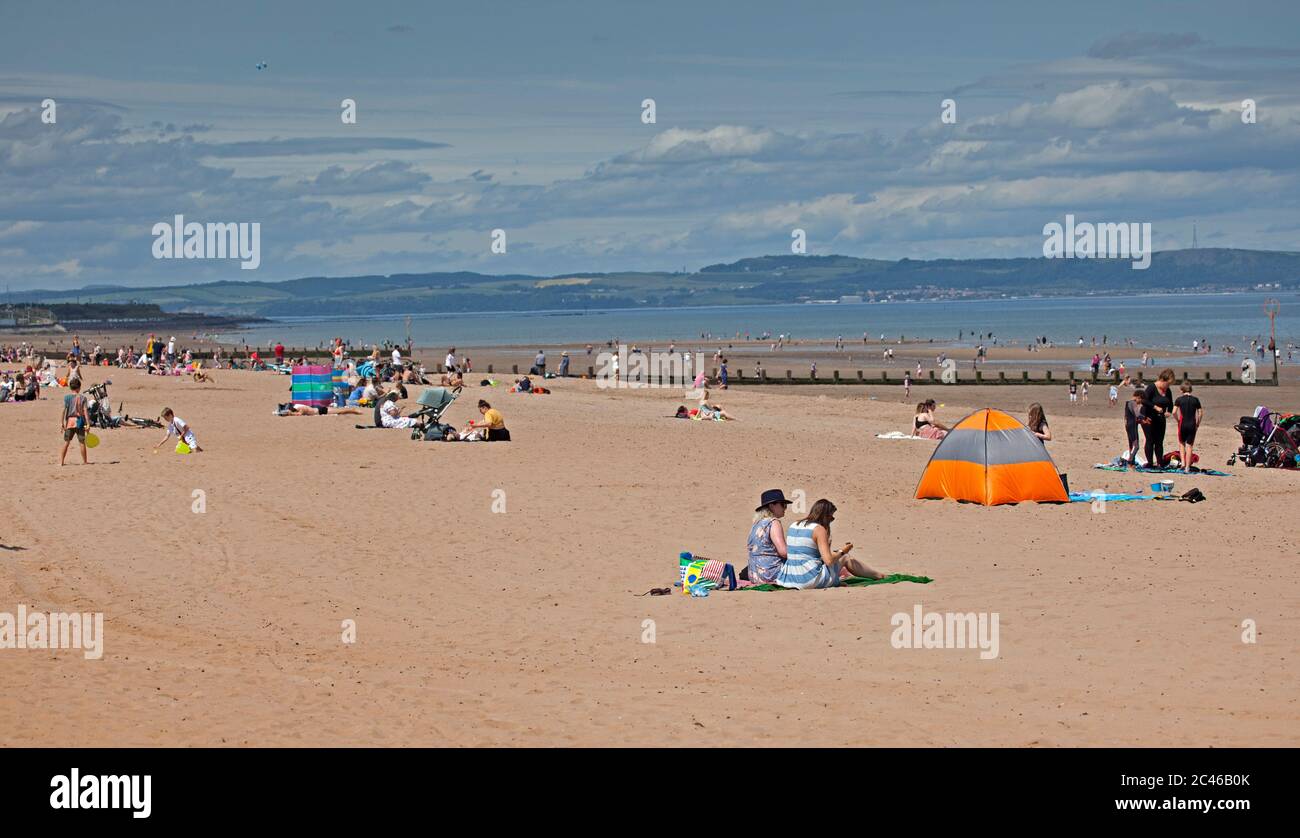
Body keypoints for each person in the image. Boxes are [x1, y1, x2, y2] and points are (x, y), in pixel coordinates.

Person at [774, 499, 885, 589]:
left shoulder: (794, 524)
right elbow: (828, 560)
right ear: (825, 516)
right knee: (845, 557)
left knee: (836, 555)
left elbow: (808, 553)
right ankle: (878, 575)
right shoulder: (819, 529)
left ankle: (834, 579)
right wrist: (844, 550)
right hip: (807, 580)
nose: (832, 520)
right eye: (831, 517)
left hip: (788, 578)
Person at [746, 489, 792, 584]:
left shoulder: (756, 524)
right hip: (769, 574)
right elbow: (783, 552)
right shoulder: (773, 522)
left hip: (754, 575)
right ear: (772, 506)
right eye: (783, 505)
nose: (785, 508)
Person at [1142, 369, 1175, 468]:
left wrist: (1169, 411)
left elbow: (1170, 403)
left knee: (1159, 442)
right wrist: (1155, 407)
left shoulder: (1167, 390)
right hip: (1148, 417)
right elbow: (1143, 400)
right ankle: (1150, 463)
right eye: (1168, 384)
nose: (1168, 386)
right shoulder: (1152, 387)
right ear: (1163, 380)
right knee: (1150, 440)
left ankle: (1160, 463)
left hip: (1160, 419)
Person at [1173, 383, 1203, 473]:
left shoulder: (1179, 399)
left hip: (1182, 423)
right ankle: (1187, 467)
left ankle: (1182, 464)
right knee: (1189, 445)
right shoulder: (1195, 400)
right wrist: (1198, 423)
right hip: (1192, 424)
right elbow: (1200, 413)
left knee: (1181, 443)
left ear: (1182, 390)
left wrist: (1178, 420)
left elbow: (1174, 412)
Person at [59, 378, 90, 466]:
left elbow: (63, 411)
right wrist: (88, 424)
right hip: (80, 422)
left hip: (69, 422)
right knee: (82, 442)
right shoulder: (83, 398)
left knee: (66, 442)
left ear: (70, 387)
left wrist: (62, 423)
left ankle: (61, 462)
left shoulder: (67, 398)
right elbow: (85, 412)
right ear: (79, 388)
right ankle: (85, 461)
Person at [1123, 389, 1147, 465]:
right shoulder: (1133, 403)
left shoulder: (1127, 403)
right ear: (1138, 397)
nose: (1140, 403)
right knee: (1136, 446)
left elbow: (1126, 417)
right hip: (1133, 425)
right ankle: (1130, 459)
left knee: (1131, 444)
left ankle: (1131, 463)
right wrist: (1145, 418)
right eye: (1141, 400)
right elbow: (1137, 415)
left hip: (1128, 425)